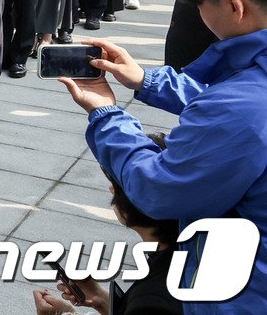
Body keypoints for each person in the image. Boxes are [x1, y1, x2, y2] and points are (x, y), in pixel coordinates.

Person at [59, 0, 267, 315]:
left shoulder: (239, 109)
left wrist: (106, 115)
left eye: (198, 4)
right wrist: (146, 80)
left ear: (232, 4)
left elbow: (158, 191)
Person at [33, 135, 184, 315]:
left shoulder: (152, 299)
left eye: (117, 186)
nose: (111, 190)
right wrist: (103, 300)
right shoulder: (190, 248)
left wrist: (64, 314)